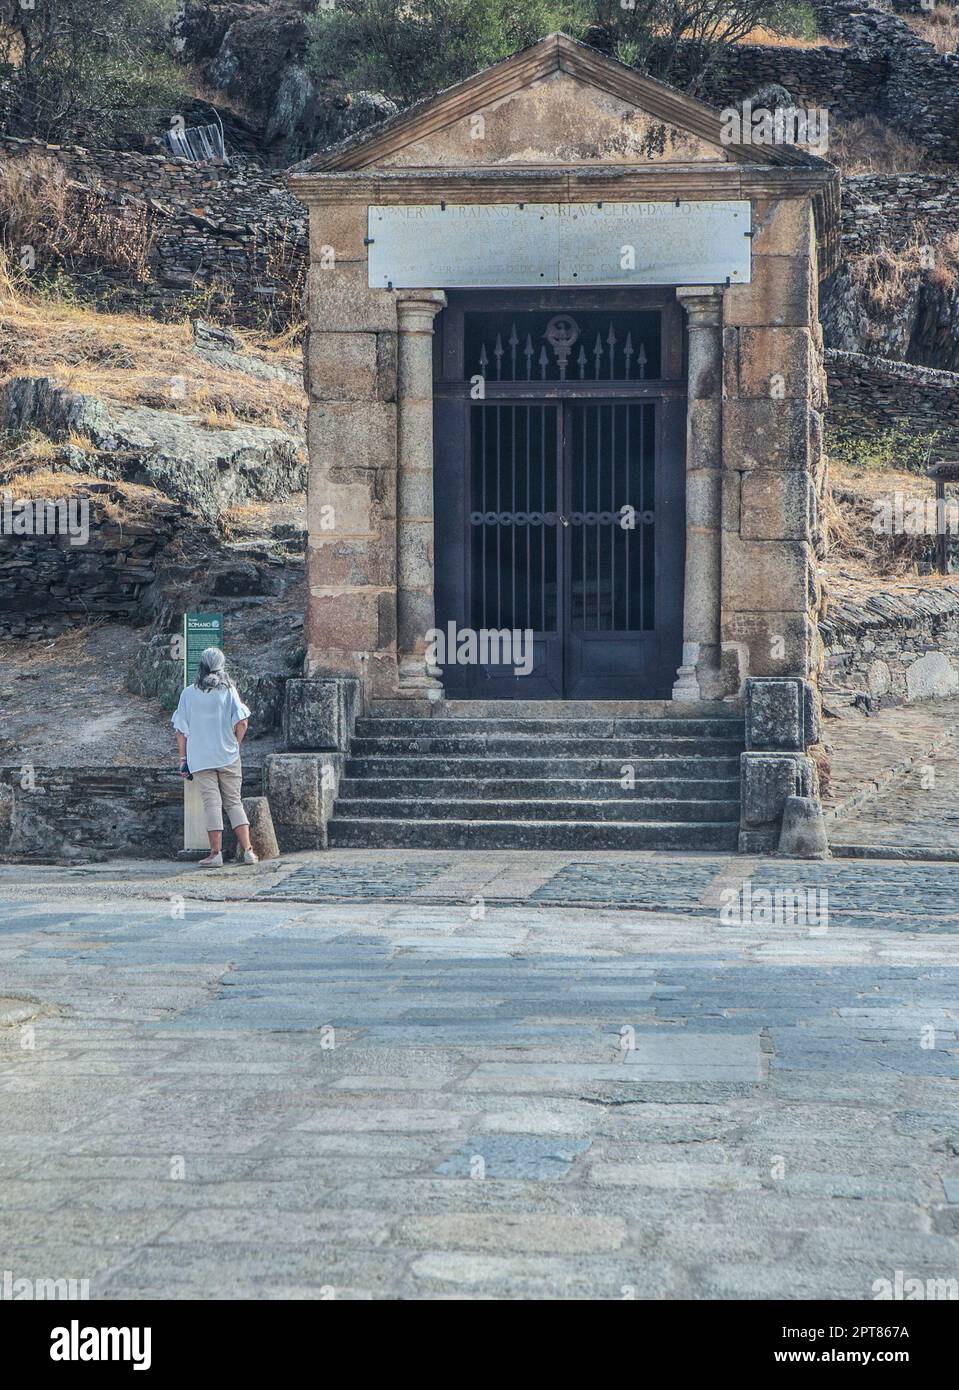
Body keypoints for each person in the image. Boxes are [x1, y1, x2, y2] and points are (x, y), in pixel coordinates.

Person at [172, 647, 258, 868]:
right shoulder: (229, 691)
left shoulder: (188, 694)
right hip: (228, 755)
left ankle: (215, 854)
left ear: (200, 666)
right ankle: (248, 851)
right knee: (233, 802)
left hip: (200, 757)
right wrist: (235, 744)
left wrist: (183, 759)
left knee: (212, 804)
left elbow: (181, 730)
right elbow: (242, 722)